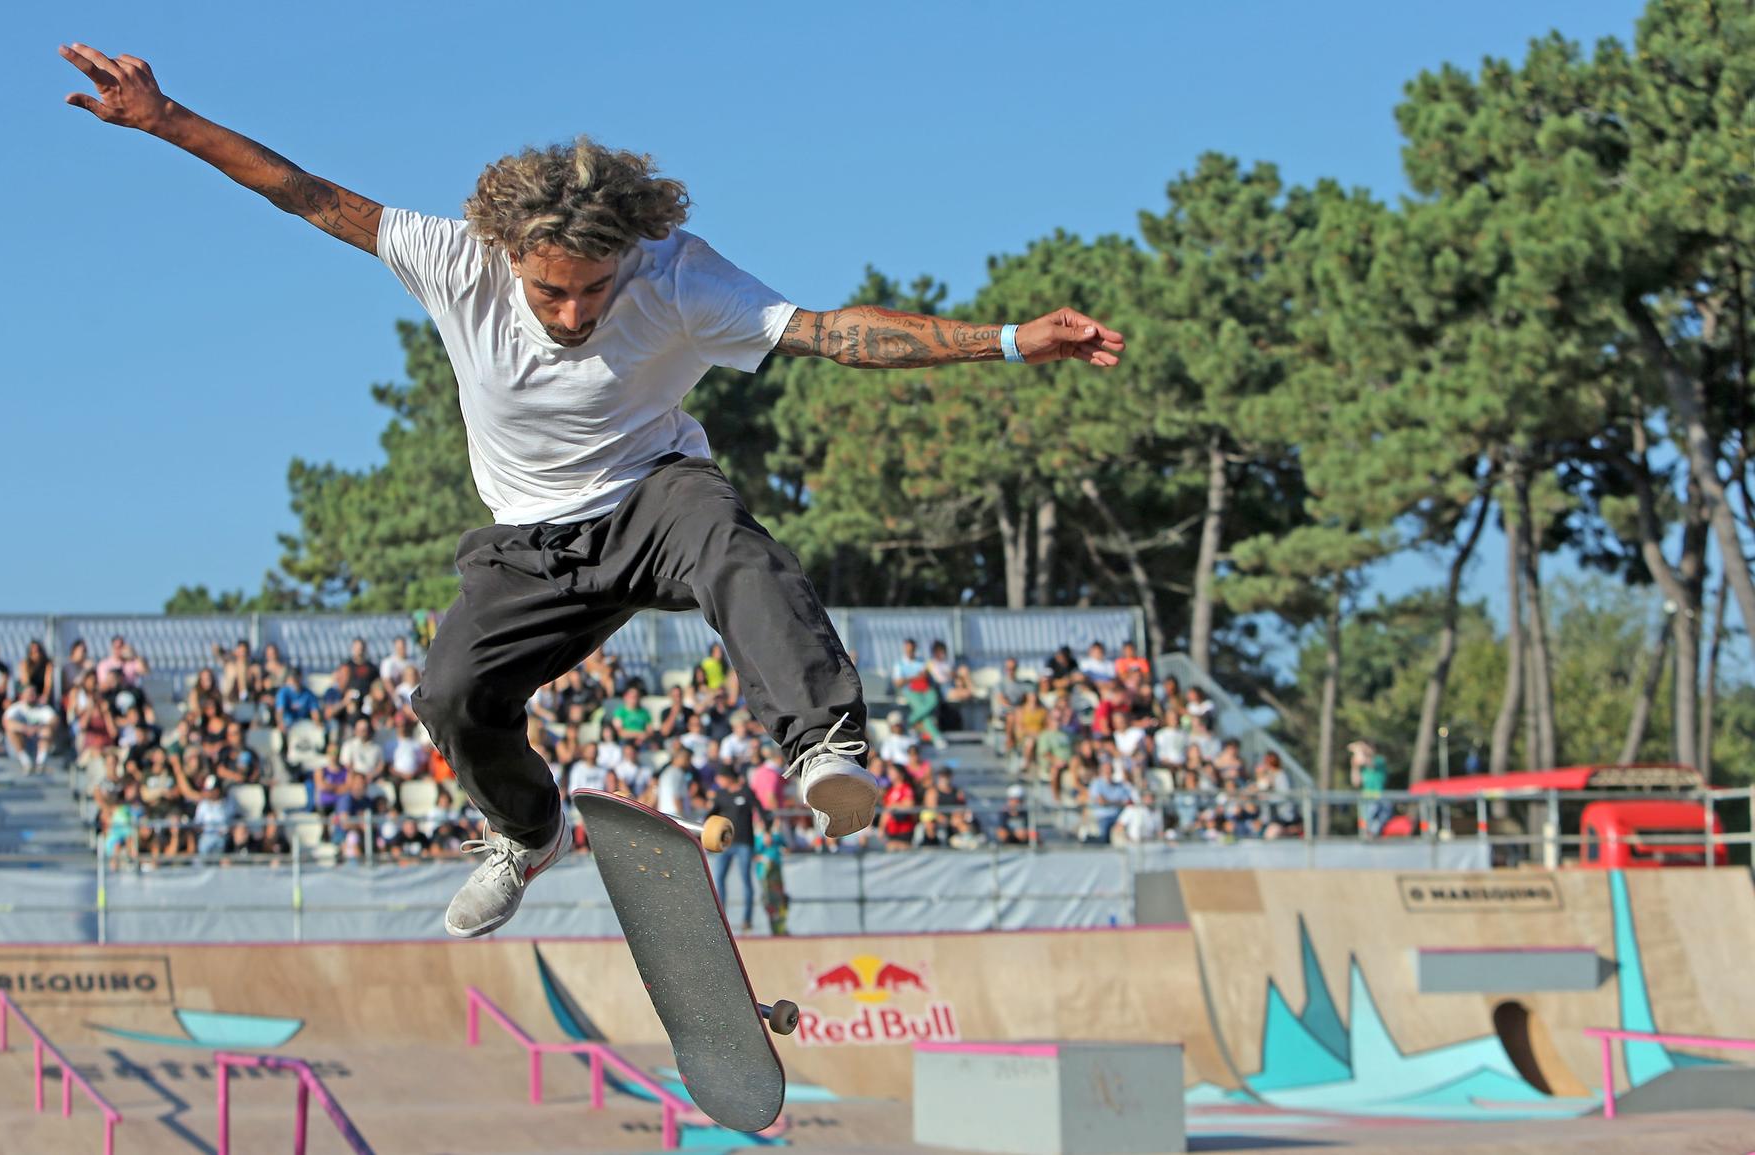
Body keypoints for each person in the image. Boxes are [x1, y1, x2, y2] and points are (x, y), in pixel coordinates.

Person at [57, 44, 1124, 937]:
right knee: (450, 700)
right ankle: (527, 831)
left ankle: (824, 744)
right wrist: (165, 119)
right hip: (527, 544)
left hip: (650, 497)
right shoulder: (450, 259)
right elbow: (308, 196)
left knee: (730, 543)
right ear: (507, 255)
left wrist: (1008, 342)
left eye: (592, 292)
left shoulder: (678, 275)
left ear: (631, 256)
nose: (571, 315)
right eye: (549, 292)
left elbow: (830, 335)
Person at [706, 764, 767, 932]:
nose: (718, 782)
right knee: (718, 879)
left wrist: (767, 829)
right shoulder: (721, 795)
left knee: (746, 880)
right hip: (725, 843)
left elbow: (761, 810)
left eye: (720, 778)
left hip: (744, 842)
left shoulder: (746, 792)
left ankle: (747, 919)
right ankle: (721, 918)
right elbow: (711, 814)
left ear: (728, 777)